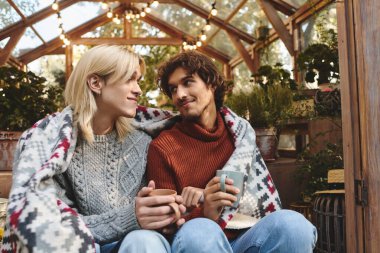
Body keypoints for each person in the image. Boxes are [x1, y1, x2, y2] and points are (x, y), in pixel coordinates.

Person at [0, 45, 185, 253]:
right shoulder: (53, 145)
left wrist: (164, 216)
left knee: (143, 241)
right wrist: (130, 217)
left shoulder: (143, 140)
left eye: (138, 81)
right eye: (129, 79)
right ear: (96, 83)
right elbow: (52, 226)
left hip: (137, 245)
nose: (138, 89)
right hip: (85, 246)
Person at [144, 51, 317, 252]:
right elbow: (164, 225)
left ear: (212, 84)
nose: (180, 95)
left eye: (188, 82)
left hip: (248, 235)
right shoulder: (162, 147)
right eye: (173, 89)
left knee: (294, 224)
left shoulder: (241, 134)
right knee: (201, 231)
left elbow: (256, 195)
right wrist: (204, 212)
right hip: (198, 240)